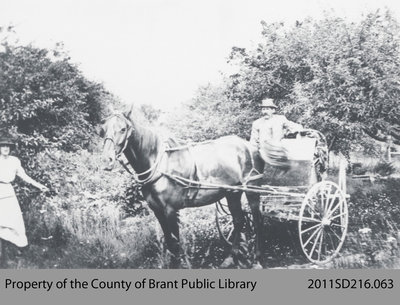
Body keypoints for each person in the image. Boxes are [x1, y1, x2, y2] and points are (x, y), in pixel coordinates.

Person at [0, 135, 49, 266]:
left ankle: (17, 250)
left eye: (7, 146)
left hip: (8, 193)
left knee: (14, 221)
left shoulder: (14, 161)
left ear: (10, 148)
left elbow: (24, 176)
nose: (5, 148)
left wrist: (39, 185)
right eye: (2, 146)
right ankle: (2, 255)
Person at [250, 98, 303, 169]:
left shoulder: (280, 119)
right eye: (263, 109)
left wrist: (301, 130)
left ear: (273, 110)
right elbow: (253, 142)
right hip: (264, 155)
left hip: (279, 153)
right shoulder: (257, 123)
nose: (265, 111)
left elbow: (294, 126)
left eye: (267, 109)